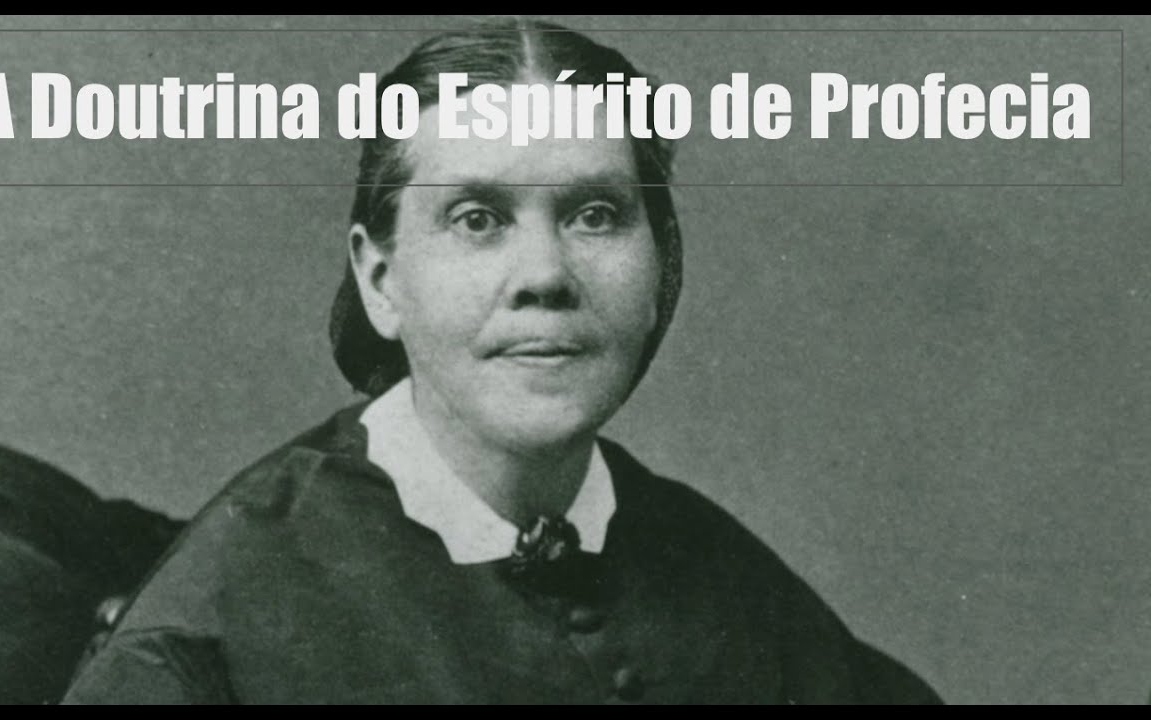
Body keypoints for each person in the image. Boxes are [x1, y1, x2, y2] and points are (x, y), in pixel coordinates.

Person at [63, 19, 942, 704]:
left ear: (661, 266)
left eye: (596, 215)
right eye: (477, 219)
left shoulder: (720, 571)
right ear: (380, 280)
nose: (545, 275)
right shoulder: (210, 626)